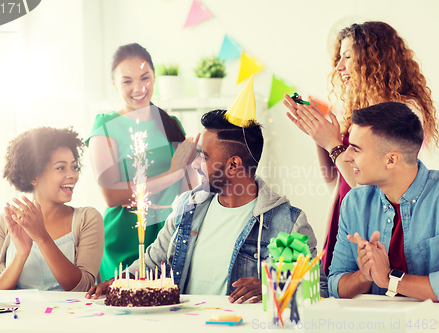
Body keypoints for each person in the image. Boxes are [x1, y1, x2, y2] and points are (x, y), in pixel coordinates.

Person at [87, 108, 329, 303]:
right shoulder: (188, 207)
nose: (194, 165)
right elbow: (154, 260)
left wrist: (271, 288)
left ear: (233, 165)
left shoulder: (286, 222)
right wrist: (123, 279)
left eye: (203, 157)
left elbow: (317, 288)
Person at [283, 21, 439, 275]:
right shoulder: (356, 111)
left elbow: (368, 188)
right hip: (346, 214)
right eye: (339, 57)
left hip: (378, 219)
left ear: (373, 60)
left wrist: (332, 144)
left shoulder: (405, 109)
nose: (339, 66)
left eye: (348, 57)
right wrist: (318, 136)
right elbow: (332, 178)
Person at [328, 102, 439, 303]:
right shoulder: (354, 202)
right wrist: (364, 275)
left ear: (391, 160)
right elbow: (335, 285)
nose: (346, 156)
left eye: (355, 149)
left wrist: (390, 279)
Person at [86, 43, 196, 280]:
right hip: (124, 238)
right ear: (115, 84)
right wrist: (173, 173)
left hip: (167, 235)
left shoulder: (172, 124)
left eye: (145, 78)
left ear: (154, 78)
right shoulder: (105, 126)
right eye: (127, 81)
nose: (138, 88)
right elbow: (112, 196)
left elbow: (188, 191)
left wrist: (196, 167)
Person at [0, 127, 104, 291]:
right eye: (61, 168)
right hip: (19, 316)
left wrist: (42, 237)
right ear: (34, 176)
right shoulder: (4, 223)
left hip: (71, 316)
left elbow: (83, 289)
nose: (73, 175)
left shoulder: (88, 218)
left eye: (74, 167)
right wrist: (20, 255)